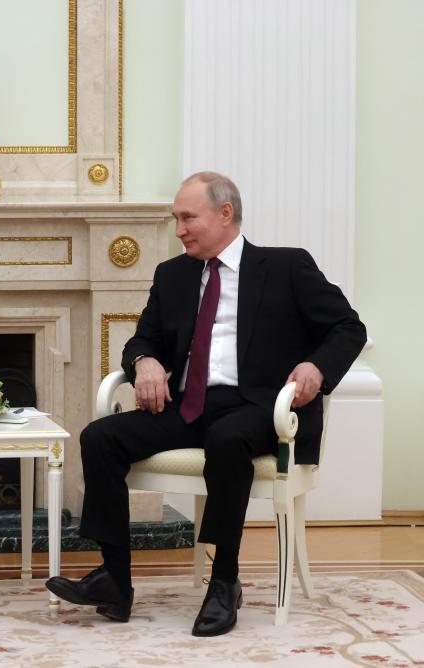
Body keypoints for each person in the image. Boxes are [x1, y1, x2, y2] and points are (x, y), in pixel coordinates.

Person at [46, 172, 366, 636]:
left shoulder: (286, 267)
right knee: (101, 437)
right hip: (190, 406)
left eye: (187, 217)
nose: (179, 229)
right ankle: (114, 579)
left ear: (225, 214)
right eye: (176, 219)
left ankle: (224, 581)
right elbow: (142, 338)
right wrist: (145, 362)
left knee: (228, 437)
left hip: (259, 407)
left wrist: (316, 368)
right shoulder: (172, 274)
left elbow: (347, 328)